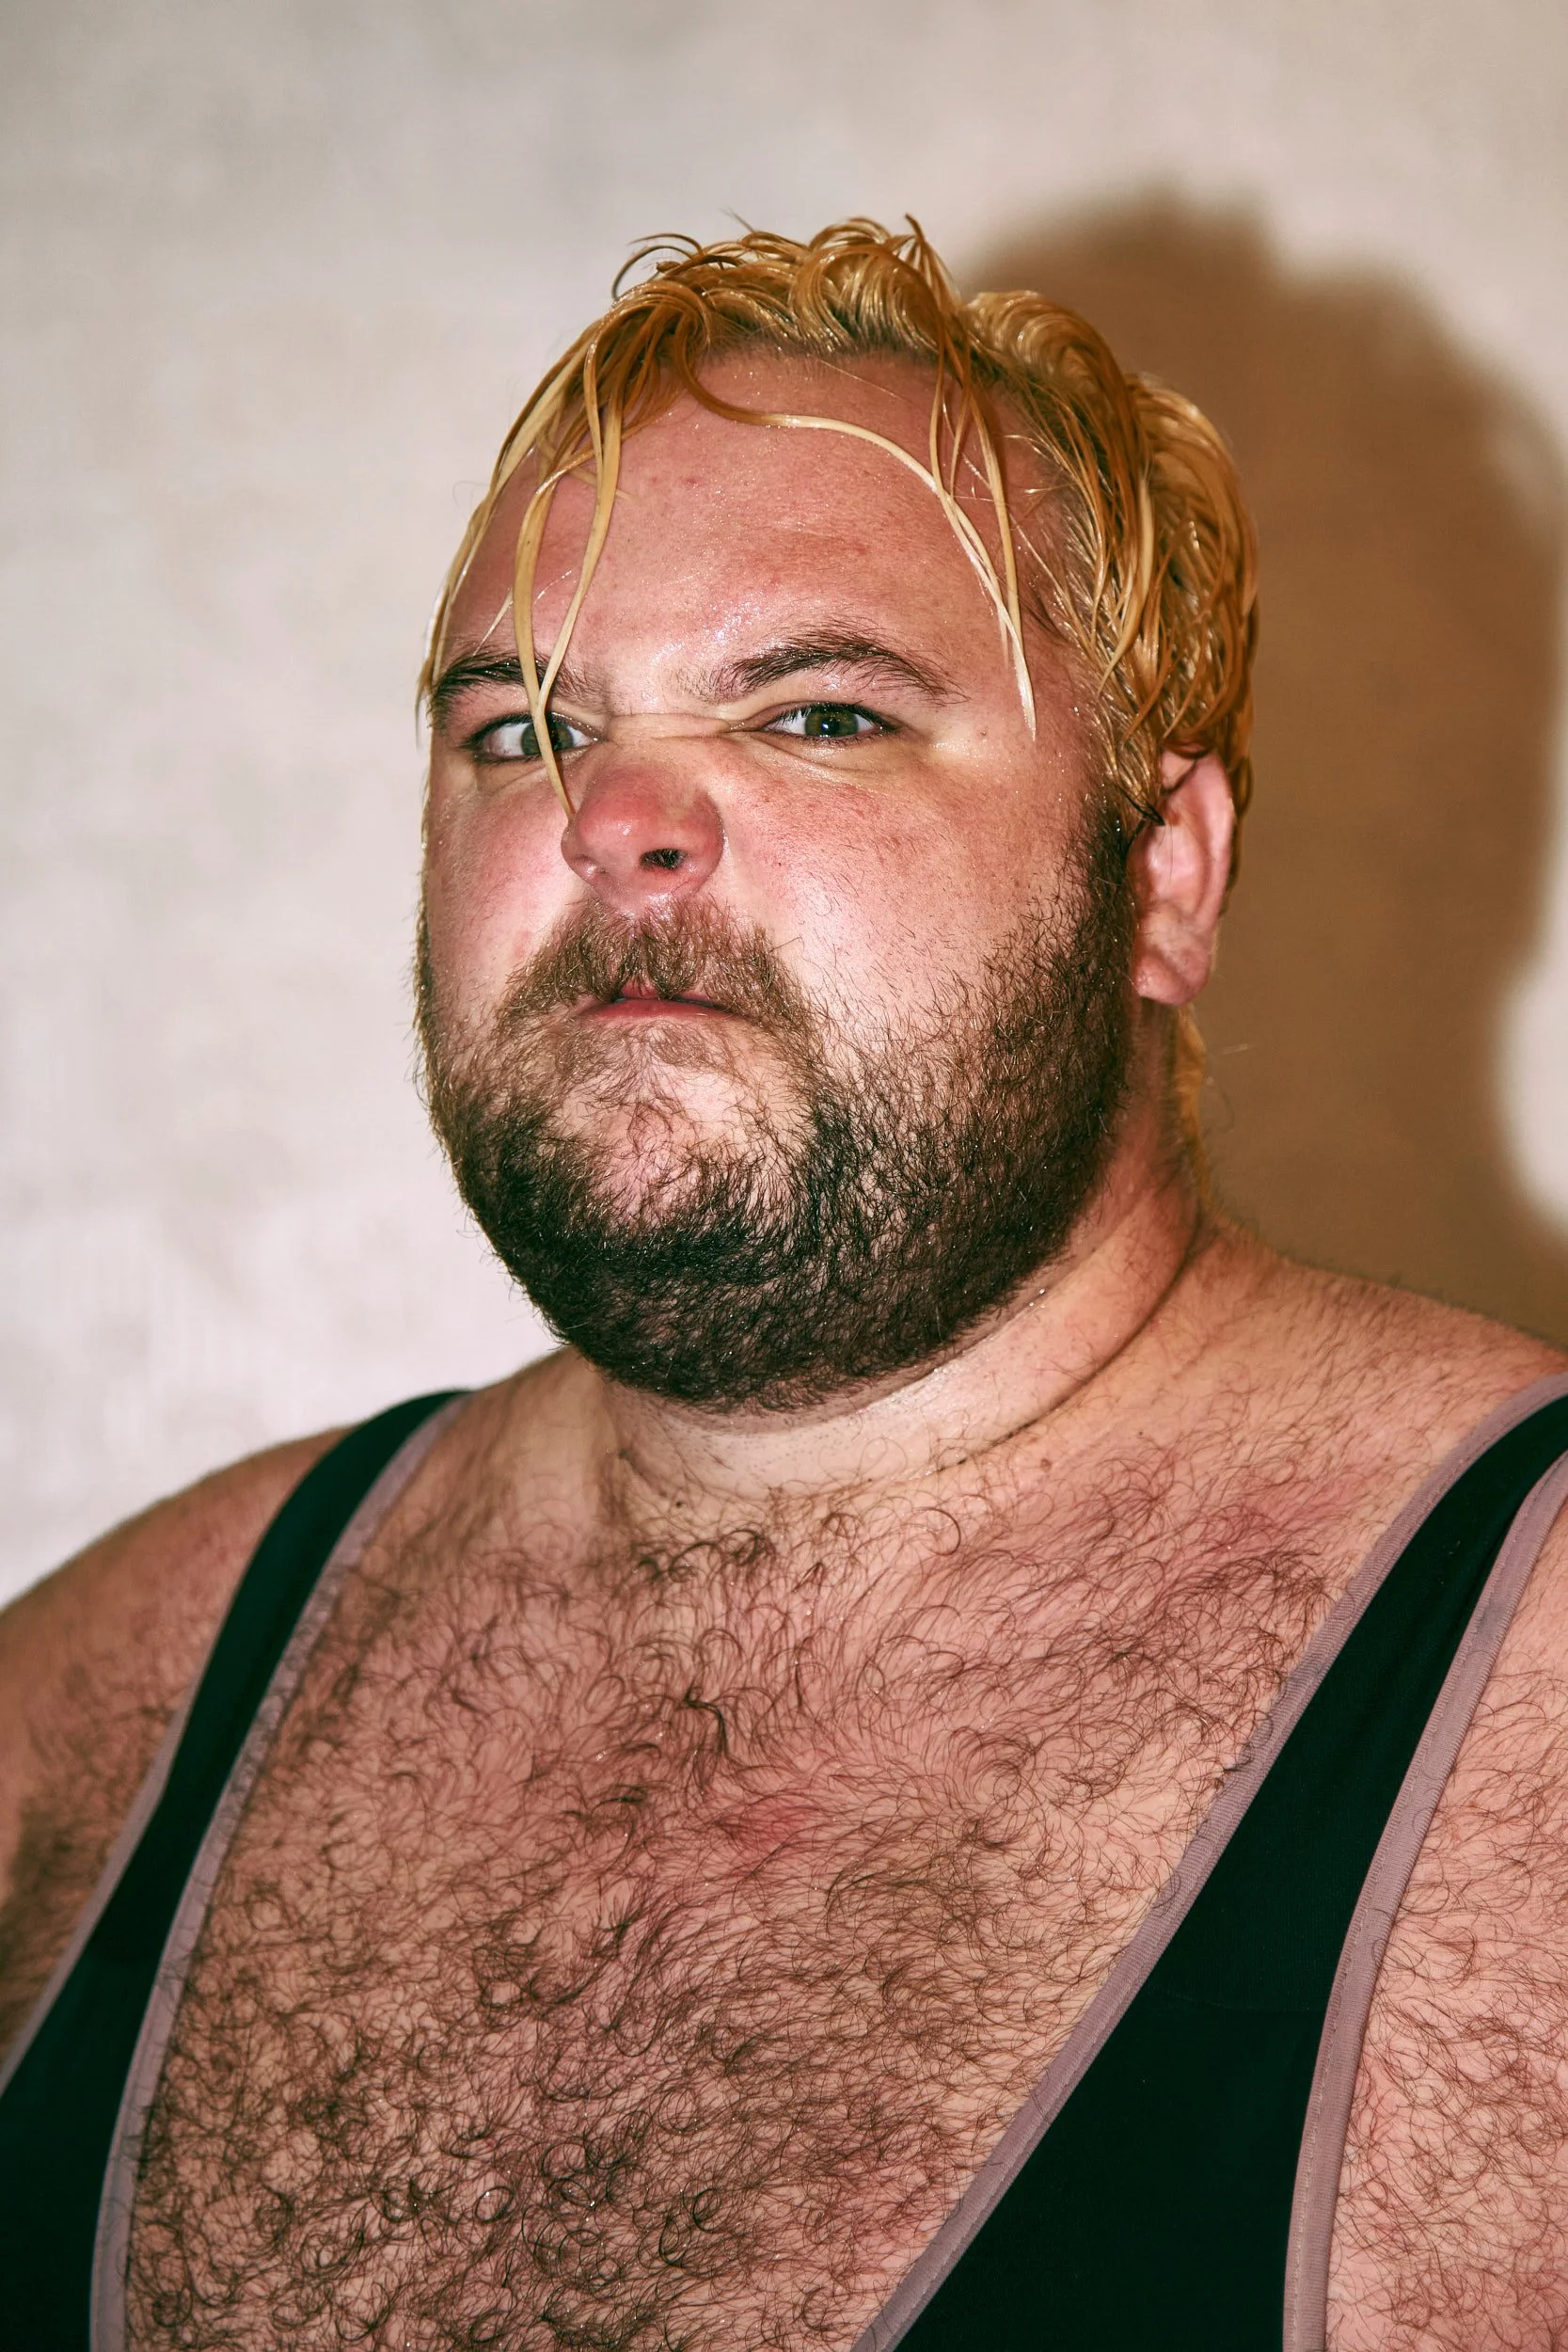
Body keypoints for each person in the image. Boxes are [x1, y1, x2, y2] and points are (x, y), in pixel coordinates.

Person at [1, 218, 1565, 2352]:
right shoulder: (98, 1713)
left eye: (818, 711)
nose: (614, 816)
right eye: (520, 727)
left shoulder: (1525, 1728)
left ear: (1162, 871)